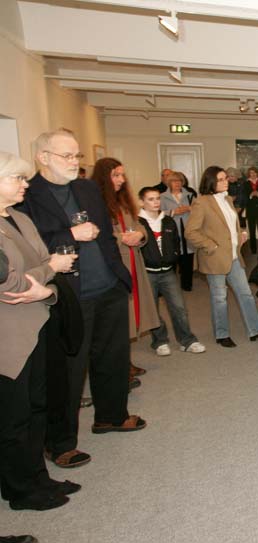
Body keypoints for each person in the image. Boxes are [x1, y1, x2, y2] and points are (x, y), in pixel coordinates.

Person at [20, 128, 146, 465]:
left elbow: (104, 234)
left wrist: (120, 275)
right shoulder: (26, 196)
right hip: (68, 295)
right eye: (67, 156)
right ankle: (60, 443)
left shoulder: (87, 188)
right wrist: (70, 234)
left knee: (113, 357)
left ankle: (111, 415)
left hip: (108, 287)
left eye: (77, 156)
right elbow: (25, 249)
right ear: (43, 157)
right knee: (68, 370)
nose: (75, 162)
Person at [1, 152, 79, 511]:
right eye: (17, 179)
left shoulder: (18, 218)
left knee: (35, 407)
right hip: (10, 336)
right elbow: (12, 281)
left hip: (37, 321)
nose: (25, 185)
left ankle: (36, 477)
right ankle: (20, 490)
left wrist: (43, 277)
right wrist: (47, 276)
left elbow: (41, 260)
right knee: (14, 416)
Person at [184, 166, 258, 348]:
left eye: (225, 178)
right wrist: (210, 245)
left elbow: (231, 224)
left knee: (246, 295)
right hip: (214, 258)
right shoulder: (201, 202)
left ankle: (256, 330)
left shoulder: (227, 199)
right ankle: (222, 334)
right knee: (219, 298)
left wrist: (241, 232)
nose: (225, 181)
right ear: (210, 182)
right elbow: (191, 232)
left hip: (234, 256)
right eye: (220, 179)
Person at [93, 158, 160, 384]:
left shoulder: (123, 202)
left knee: (132, 314)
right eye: (116, 175)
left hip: (133, 260)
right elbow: (95, 233)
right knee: (118, 318)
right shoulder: (95, 202)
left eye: (122, 175)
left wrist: (139, 235)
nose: (121, 180)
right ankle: (119, 366)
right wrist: (121, 238)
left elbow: (140, 225)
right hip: (113, 264)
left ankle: (125, 361)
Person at [137, 187, 206, 356]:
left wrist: (173, 257)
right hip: (148, 273)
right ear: (142, 202)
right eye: (150, 199)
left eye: (157, 199)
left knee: (179, 307)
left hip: (168, 272)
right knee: (152, 310)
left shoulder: (168, 221)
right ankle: (159, 341)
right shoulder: (137, 223)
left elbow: (176, 242)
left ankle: (187, 340)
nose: (155, 203)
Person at [160, 171, 195, 291]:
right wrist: (173, 212)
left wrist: (189, 208)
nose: (177, 183)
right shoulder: (162, 197)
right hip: (171, 232)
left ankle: (187, 284)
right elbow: (158, 213)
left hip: (188, 230)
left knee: (188, 258)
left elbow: (199, 210)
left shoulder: (190, 195)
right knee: (172, 258)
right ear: (169, 183)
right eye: (174, 181)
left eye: (180, 181)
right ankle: (171, 286)